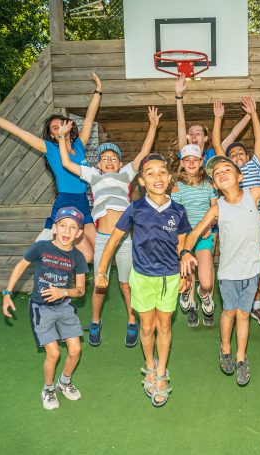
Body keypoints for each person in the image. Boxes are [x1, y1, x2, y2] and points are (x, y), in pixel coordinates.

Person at [180, 155, 260, 386]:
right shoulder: (217, 209)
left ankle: (241, 357)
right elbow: (193, 234)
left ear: (240, 176)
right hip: (228, 273)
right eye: (217, 173)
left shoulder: (254, 193)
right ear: (214, 184)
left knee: (243, 315)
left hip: (252, 271)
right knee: (229, 313)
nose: (221, 173)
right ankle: (225, 348)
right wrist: (185, 252)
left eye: (226, 169)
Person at [0, 72, 103, 262]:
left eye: (61, 124)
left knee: (99, 253)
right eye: (54, 128)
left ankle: (59, 256)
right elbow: (18, 131)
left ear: (69, 126)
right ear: (53, 135)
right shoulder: (50, 149)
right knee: (87, 257)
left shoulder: (80, 145)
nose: (59, 128)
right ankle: (57, 263)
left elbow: (89, 116)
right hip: (66, 203)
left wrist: (98, 90)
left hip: (82, 202)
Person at [57, 107, 160, 347]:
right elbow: (66, 162)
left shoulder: (126, 174)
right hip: (103, 237)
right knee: (100, 284)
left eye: (114, 157)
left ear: (120, 163)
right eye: (105, 158)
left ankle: (132, 321)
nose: (109, 160)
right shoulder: (93, 175)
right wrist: (62, 137)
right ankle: (95, 321)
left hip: (124, 239)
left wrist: (153, 126)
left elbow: (144, 153)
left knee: (126, 284)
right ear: (99, 164)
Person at [95, 153, 191, 407]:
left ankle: (162, 372)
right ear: (141, 181)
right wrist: (101, 272)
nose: (157, 177)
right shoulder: (135, 209)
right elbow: (114, 240)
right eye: (151, 173)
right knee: (147, 327)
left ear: (169, 178)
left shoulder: (179, 211)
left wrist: (185, 274)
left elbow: (182, 246)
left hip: (169, 278)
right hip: (142, 278)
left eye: (162, 172)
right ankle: (150, 364)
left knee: (165, 326)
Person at [2, 206, 88, 410]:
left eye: (73, 227)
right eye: (63, 225)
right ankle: (48, 389)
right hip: (41, 308)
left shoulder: (78, 257)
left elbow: (81, 290)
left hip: (64, 306)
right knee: (54, 353)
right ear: (55, 228)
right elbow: (20, 266)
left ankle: (64, 382)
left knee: (75, 350)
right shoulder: (41, 247)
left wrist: (62, 292)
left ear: (79, 233)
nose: (67, 231)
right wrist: (7, 293)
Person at [212, 96, 260, 328]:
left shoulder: (255, 165)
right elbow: (217, 145)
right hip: (237, 222)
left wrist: (254, 114)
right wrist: (218, 119)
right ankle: (241, 303)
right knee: (241, 260)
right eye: (233, 155)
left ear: (247, 157)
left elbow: (259, 138)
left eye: (241, 153)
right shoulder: (230, 174)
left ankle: (256, 305)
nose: (237, 156)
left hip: (259, 219)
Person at [171, 143, 218, 328]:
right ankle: (187, 295)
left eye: (195, 160)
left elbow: (215, 211)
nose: (191, 163)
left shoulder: (209, 184)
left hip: (204, 236)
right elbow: (175, 214)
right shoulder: (177, 186)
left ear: (201, 161)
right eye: (187, 160)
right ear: (182, 162)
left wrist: (210, 225)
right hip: (184, 237)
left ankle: (204, 295)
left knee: (206, 283)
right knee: (187, 275)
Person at [175, 75, 250, 165]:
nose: (193, 136)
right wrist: (179, 96)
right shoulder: (185, 153)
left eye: (198, 133)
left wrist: (250, 114)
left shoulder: (213, 155)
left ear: (205, 138)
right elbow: (181, 125)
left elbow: (233, 134)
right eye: (191, 134)